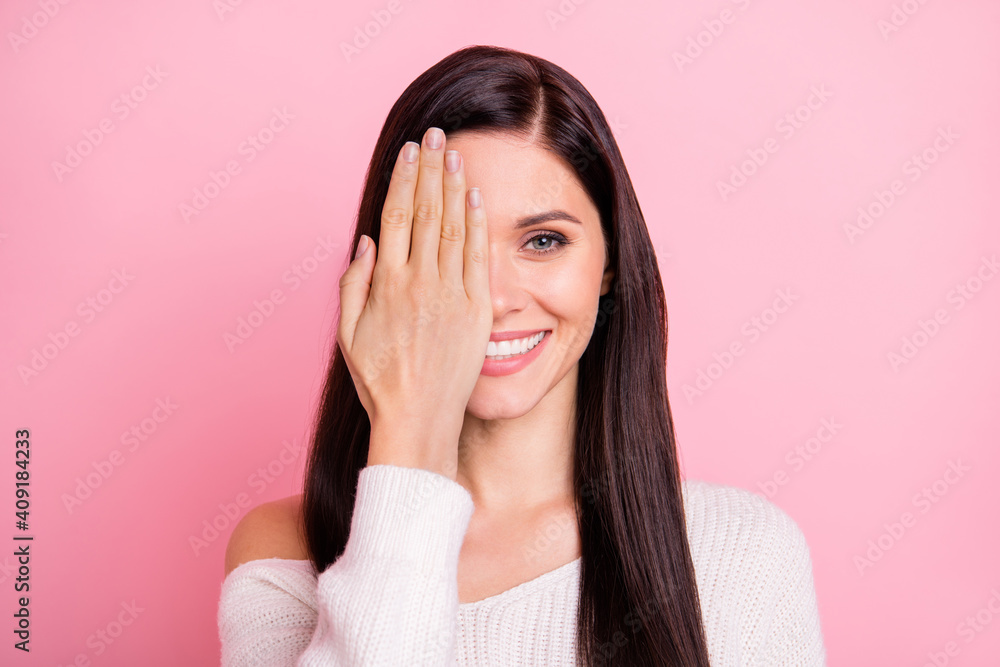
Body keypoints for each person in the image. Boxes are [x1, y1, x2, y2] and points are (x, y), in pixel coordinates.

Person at [217, 44, 826, 666]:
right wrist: (411, 433)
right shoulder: (286, 554)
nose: (495, 300)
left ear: (609, 263)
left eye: (543, 240)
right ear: (385, 265)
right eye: (451, 248)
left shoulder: (742, 554)